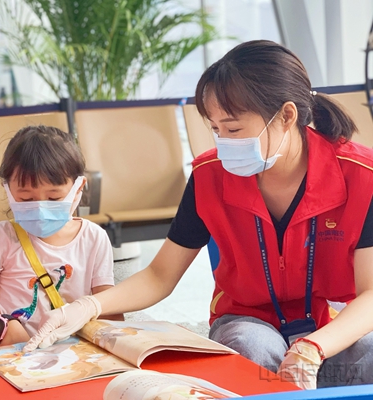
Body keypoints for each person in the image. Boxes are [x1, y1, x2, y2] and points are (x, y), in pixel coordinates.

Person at [24, 40, 373, 390]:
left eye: (233, 129)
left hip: (333, 320)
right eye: (216, 130)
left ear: (286, 116)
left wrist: (313, 347)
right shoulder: (210, 176)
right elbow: (160, 276)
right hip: (248, 319)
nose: (224, 143)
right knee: (252, 352)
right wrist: (87, 307)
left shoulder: (362, 176)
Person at [0, 125, 122, 349]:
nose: (40, 208)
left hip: (67, 358)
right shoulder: (0, 238)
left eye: (54, 198)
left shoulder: (94, 239)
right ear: (7, 189)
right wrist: (5, 326)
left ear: (78, 188)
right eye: (26, 199)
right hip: (3, 356)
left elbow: (108, 310)